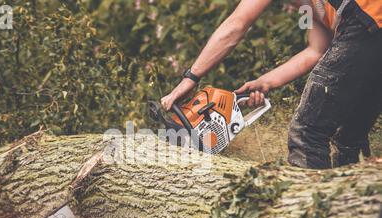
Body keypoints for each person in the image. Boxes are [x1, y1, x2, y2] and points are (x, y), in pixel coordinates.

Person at [161, 0, 382, 169]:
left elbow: (236, 26)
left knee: (307, 132)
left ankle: (309, 217)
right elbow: (316, 49)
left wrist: (191, 77)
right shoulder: (307, 8)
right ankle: (355, 211)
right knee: (347, 137)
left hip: (368, 20)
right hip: (369, 29)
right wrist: (266, 81)